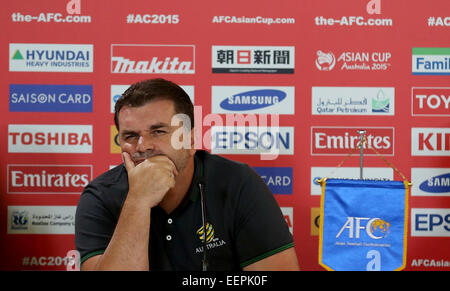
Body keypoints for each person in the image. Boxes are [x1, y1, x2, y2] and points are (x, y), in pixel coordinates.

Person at [75, 78, 299, 271]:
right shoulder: (100, 196)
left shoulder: (238, 183)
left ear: (191, 140)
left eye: (159, 131)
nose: (142, 146)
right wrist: (138, 201)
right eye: (131, 136)